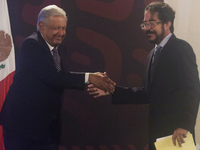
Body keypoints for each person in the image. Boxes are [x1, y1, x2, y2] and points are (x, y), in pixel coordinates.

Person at [0, 5, 115, 150]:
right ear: (41, 26)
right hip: (22, 127)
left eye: (63, 28)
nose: (61, 33)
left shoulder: (59, 48)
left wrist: (92, 81)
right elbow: (53, 77)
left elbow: (62, 77)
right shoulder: (31, 45)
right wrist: (89, 77)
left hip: (46, 128)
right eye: (56, 28)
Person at [88, 2, 200, 150]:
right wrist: (113, 89)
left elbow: (192, 89)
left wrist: (184, 125)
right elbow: (147, 94)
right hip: (157, 133)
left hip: (177, 135)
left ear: (167, 24)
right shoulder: (152, 54)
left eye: (152, 23)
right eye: (145, 24)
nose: (147, 28)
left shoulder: (181, 48)